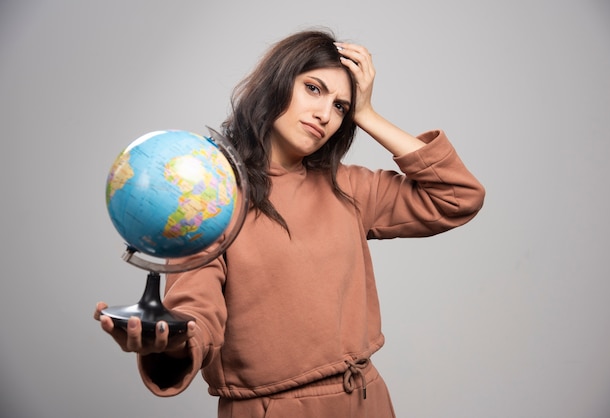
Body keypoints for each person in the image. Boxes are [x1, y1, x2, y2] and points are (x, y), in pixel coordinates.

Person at [95, 29, 485, 417]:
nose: (324, 115)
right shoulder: (214, 196)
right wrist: (169, 343)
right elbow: (197, 312)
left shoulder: (348, 187)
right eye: (314, 89)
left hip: (365, 402)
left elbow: (457, 196)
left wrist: (367, 114)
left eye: (341, 108)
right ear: (278, 82)